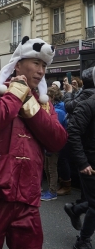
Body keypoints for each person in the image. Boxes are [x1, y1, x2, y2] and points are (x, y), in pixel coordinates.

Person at [0, 36, 68, 249]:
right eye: (36, 63)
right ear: (18, 64)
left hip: (28, 195)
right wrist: (15, 93)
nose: (41, 70)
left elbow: (57, 141)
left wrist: (28, 101)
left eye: (43, 65)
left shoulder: (43, 102)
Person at [65, 66, 95, 249]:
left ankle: (75, 209)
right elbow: (73, 132)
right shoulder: (88, 103)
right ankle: (83, 241)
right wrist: (83, 162)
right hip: (90, 161)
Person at [58, 67, 95, 196]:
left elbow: (69, 106)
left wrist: (69, 93)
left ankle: (79, 206)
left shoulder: (86, 95)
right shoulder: (88, 98)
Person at [41, 87, 67, 201]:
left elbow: (55, 129)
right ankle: (51, 190)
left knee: (52, 168)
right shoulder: (53, 109)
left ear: (51, 97)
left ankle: (52, 191)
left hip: (54, 144)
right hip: (48, 143)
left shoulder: (58, 111)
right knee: (47, 167)